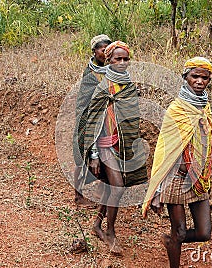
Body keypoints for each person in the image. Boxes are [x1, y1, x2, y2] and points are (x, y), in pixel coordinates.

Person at [142, 57, 212, 268]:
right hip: (176, 178)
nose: (199, 81)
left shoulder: (204, 108)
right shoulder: (177, 110)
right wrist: (157, 188)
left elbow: (206, 143)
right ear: (185, 78)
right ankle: (174, 251)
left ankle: (169, 240)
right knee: (180, 231)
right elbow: (165, 150)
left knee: (204, 232)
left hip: (198, 176)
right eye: (195, 76)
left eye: (204, 77)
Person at [81, 41, 148, 254]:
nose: (122, 62)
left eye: (125, 59)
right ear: (108, 60)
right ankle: (110, 231)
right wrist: (93, 155)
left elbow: (131, 118)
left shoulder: (128, 85)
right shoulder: (103, 86)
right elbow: (92, 121)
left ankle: (97, 225)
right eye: (117, 58)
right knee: (117, 186)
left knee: (113, 186)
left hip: (122, 144)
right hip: (103, 145)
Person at [73, 34, 112, 206]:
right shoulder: (90, 73)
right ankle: (78, 195)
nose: (106, 53)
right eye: (103, 50)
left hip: (106, 117)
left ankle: (101, 190)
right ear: (94, 52)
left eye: (108, 50)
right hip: (88, 116)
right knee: (83, 154)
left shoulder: (112, 69)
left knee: (106, 153)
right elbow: (86, 99)